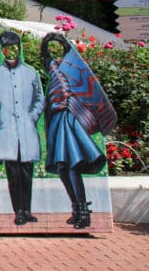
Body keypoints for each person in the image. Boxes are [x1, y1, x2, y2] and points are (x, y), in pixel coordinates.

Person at [40, 32, 117, 229]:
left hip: (68, 117)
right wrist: (48, 42)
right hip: (58, 117)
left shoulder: (70, 67)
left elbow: (62, 55)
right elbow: (46, 58)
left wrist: (58, 42)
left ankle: (82, 211)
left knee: (70, 163)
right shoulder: (55, 69)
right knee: (63, 166)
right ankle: (78, 209)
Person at [0, 30, 44, 226]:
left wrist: (31, 116)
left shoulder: (31, 73)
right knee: (13, 173)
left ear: (19, 48)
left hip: (27, 128)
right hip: (6, 130)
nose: (11, 52)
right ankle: (19, 211)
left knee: (26, 172)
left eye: (14, 48)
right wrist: (0, 114)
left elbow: (40, 98)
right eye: (6, 49)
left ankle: (28, 209)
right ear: (2, 51)